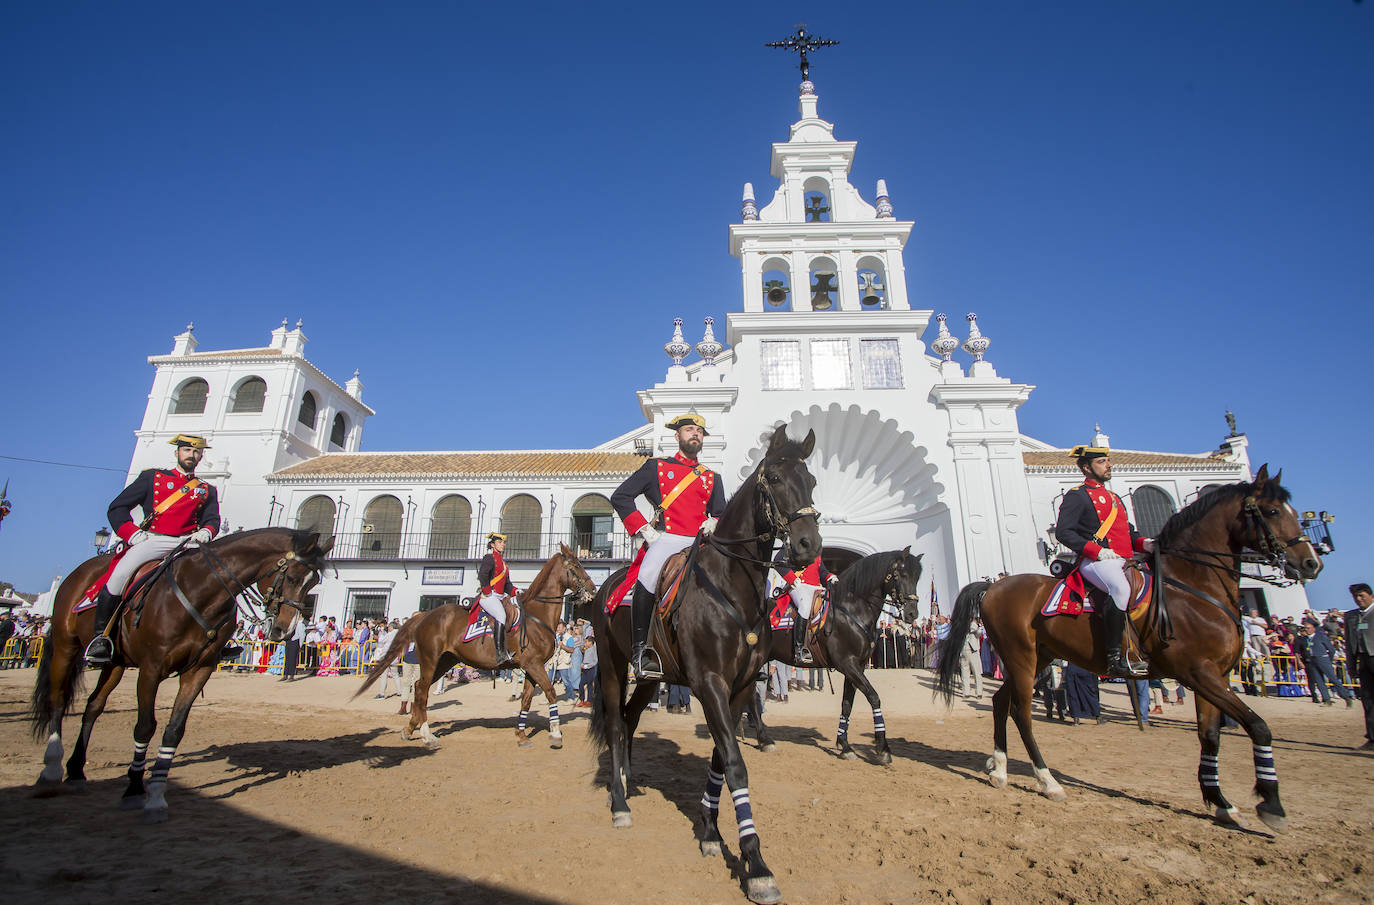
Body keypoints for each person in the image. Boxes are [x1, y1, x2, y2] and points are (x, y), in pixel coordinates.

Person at [85, 433, 224, 664]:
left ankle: (216, 640)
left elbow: (213, 519)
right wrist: (132, 534)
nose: (192, 455)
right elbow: (117, 508)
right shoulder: (153, 477)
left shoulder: (207, 489)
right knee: (119, 576)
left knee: (217, 580)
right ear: (177, 453)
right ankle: (100, 638)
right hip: (153, 539)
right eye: (187, 450)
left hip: (187, 542)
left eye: (197, 451)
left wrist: (206, 532)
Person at [610, 413, 725, 680]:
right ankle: (640, 652)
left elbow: (721, 512)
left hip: (701, 541)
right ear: (677, 436)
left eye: (698, 431)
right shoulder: (656, 467)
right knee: (647, 578)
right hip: (667, 539)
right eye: (688, 430)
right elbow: (621, 496)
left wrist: (715, 522)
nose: (694, 434)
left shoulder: (712, 477)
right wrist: (644, 529)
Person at [1053, 445, 1156, 678]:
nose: (1109, 465)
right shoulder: (1077, 495)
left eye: (1108, 461)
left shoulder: (1114, 498)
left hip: (1123, 559)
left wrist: (1145, 543)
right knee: (1120, 589)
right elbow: (1063, 532)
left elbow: (1127, 533)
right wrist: (1096, 551)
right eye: (1102, 461)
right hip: (1097, 561)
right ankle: (1114, 658)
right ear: (1087, 468)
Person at [769, 551, 837, 664]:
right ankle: (799, 649)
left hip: (816, 587)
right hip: (799, 585)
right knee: (804, 607)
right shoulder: (792, 542)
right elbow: (778, 561)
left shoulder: (815, 548)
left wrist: (830, 577)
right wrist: (791, 578)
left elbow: (821, 571)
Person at [476, 532, 521, 665]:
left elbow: (507, 584)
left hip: (501, 597)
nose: (503, 545)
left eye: (503, 543)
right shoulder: (489, 558)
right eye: (500, 542)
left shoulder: (504, 564)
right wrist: (487, 591)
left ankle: (508, 648)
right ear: (492, 545)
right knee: (501, 615)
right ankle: (500, 653)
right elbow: (483, 575)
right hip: (489, 596)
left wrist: (515, 591)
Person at [1342, 583, 1374, 749]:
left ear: (1371, 596)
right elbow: (1349, 642)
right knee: (1368, 700)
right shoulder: (1351, 616)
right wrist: (1351, 664)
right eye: (1356, 597)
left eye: (1362, 596)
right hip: (1363, 660)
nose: (1359, 599)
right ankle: (1372, 738)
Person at [1297, 620, 1352, 707]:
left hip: (1323, 659)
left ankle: (1346, 698)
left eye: (1308, 628)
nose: (1306, 630)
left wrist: (1327, 660)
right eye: (1305, 628)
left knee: (1333, 679)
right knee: (1319, 681)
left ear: (1314, 629)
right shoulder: (1306, 638)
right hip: (1312, 661)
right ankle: (1327, 700)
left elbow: (1331, 649)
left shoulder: (1321, 636)